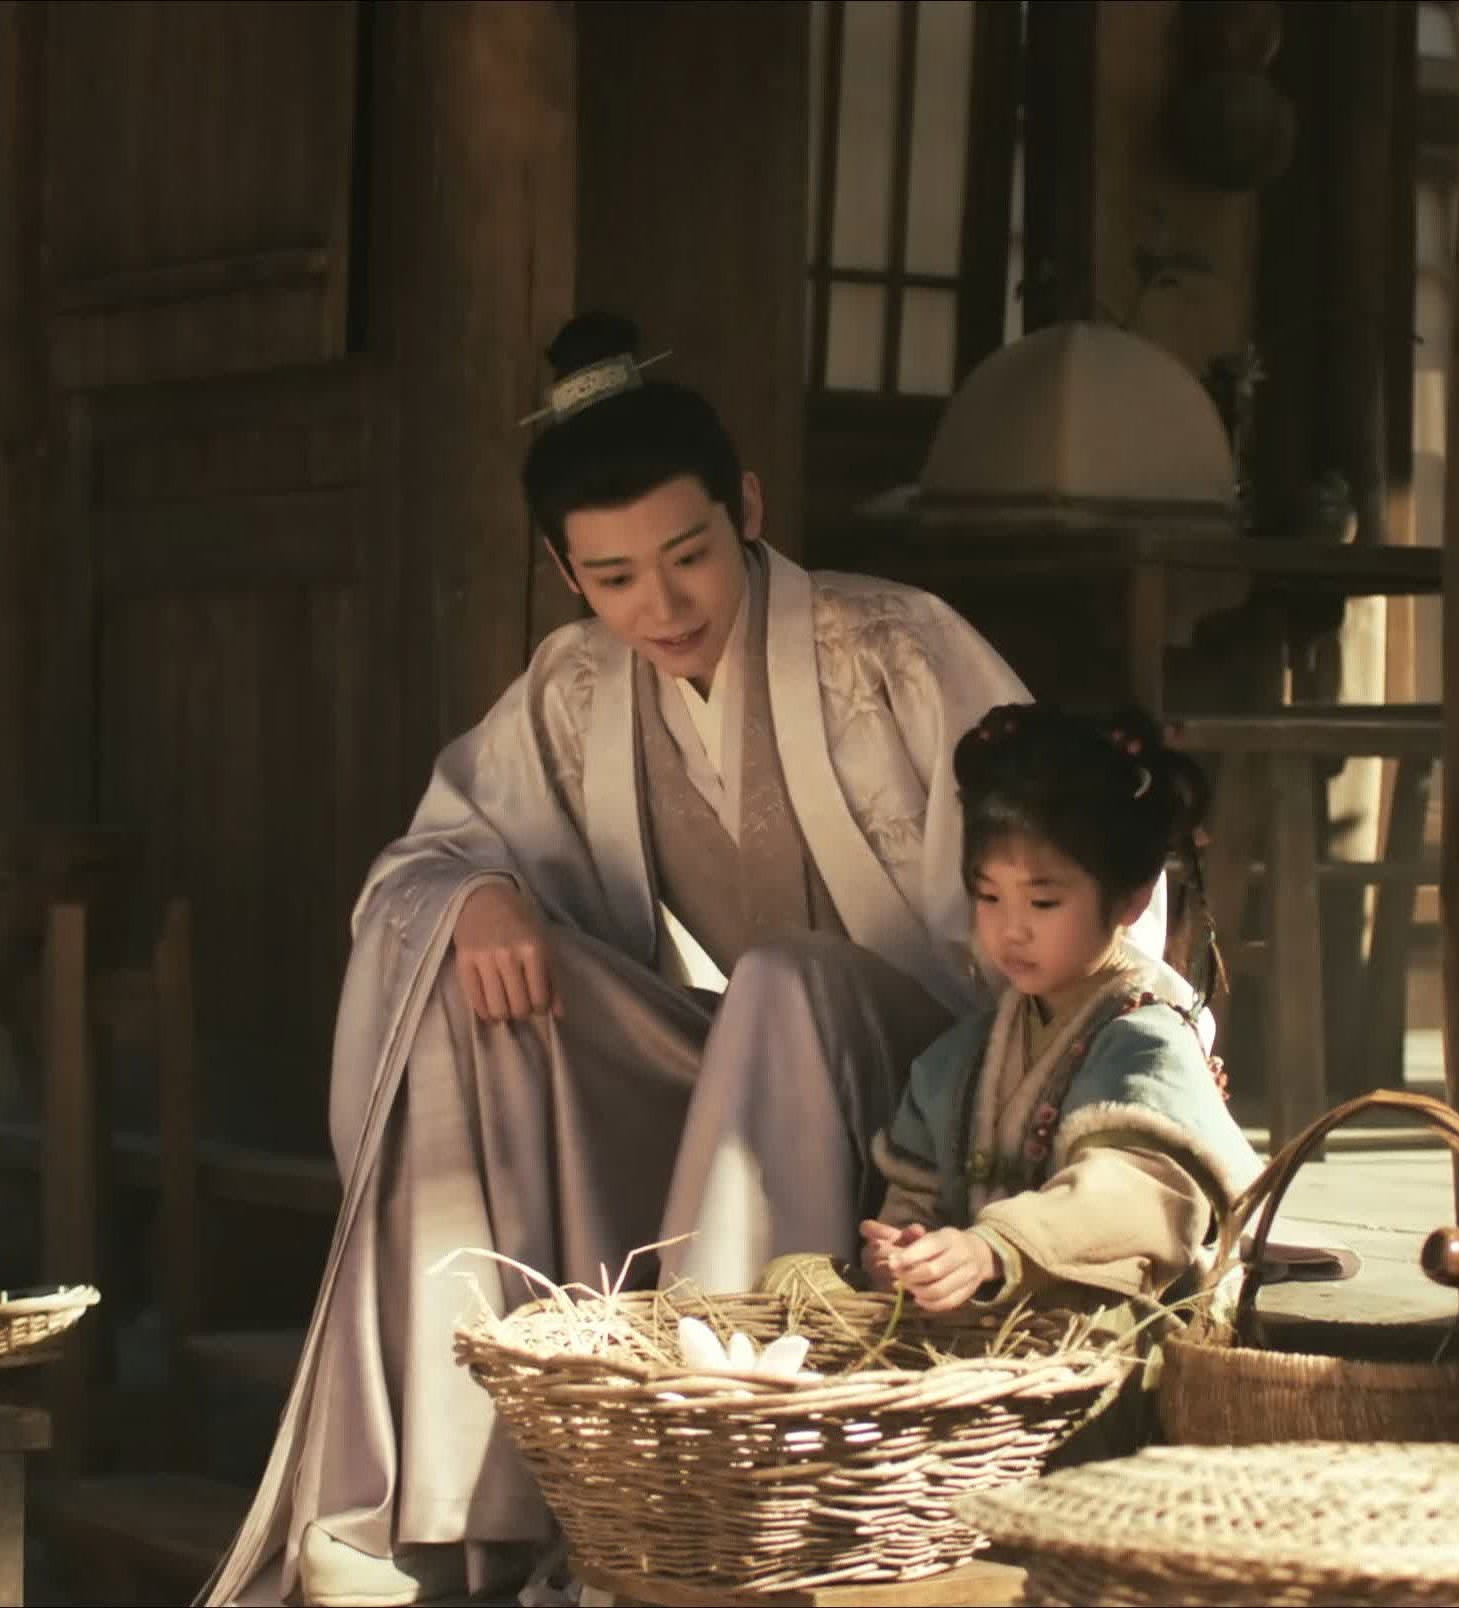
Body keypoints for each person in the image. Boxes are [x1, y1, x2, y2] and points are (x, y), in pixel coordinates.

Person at [202, 313, 1168, 1607]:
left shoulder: (891, 645)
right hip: (753, 1074)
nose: (658, 607)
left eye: (689, 556)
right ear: (564, 572)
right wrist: (481, 894)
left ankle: (710, 1450)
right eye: (611, 579)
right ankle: (460, 1504)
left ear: (746, 510)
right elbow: (437, 847)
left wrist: (1075, 1077)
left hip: (952, 1075)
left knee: (782, 975)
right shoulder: (573, 688)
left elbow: (1077, 848)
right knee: (460, 972)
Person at [863, 704, 1261, 1319]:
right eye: (989, 896)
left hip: (1097, 1325)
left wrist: (992, 1249)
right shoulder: (958, 1059)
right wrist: (906, 1252)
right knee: (791, 1276)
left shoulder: (1147, 1041)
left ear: (1130, 899)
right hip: (985, 1324)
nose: (1011, 929)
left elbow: (1138, 1198)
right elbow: (913, 1200)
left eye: (1042, 902)